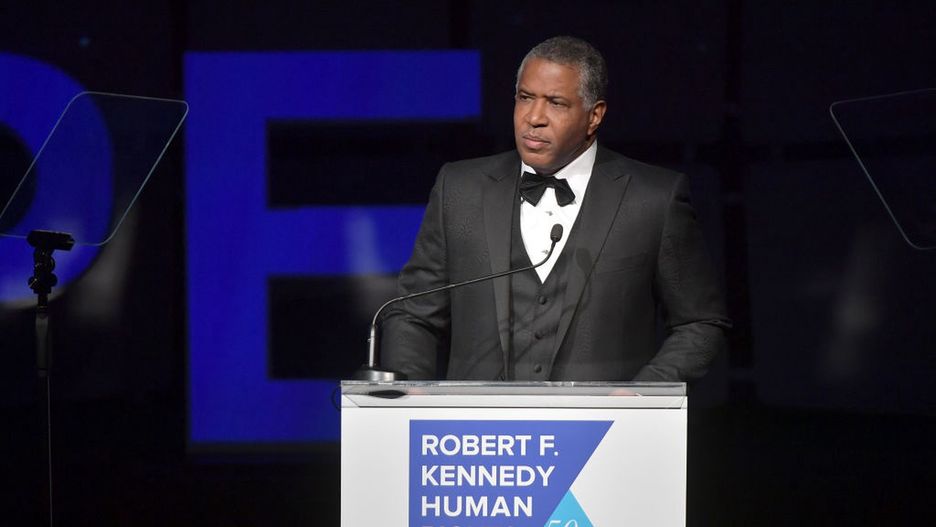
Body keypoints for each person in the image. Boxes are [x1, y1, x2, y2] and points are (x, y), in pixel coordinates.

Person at [381, 36, 730, 381]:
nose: (534, 117)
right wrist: (408, 392)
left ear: (594, 116)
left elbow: (700, 323)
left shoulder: (653, 199)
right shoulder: (460, 188)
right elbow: (413, 313)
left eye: (556, 103)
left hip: (604, 418)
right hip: (476, 418)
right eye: (525, 98)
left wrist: (642, 396)